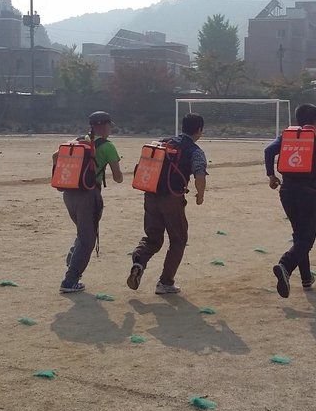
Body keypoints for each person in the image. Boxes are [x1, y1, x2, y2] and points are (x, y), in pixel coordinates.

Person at [263, 103, 316, 298]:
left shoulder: (287, 136)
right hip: (310, 192)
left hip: (287, 191)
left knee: (300, 235)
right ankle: (285, 265)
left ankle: (306, 278)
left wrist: (271, 176)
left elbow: (268, 151)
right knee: (307, 239)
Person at [126, 113, 208, 295]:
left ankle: (139, 261)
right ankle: (165, 282)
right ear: (200, 130)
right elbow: (200, 174)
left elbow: (142, 165)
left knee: (153, 238)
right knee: (178, 239)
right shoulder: (195, 151)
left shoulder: (163, 142)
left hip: (151, 195)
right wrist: (200, 195)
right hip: (172, 199)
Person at [57, 111, 123, 294]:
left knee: (83, 231)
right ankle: (70, 280)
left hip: (69, 194)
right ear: (103, 126)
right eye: (109, 125)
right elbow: (118, 178)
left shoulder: (80, 141)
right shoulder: (108, 146)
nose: (110, 129)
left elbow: (56, 156)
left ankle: (73, 260)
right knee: (88, 239)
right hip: (89, 195)